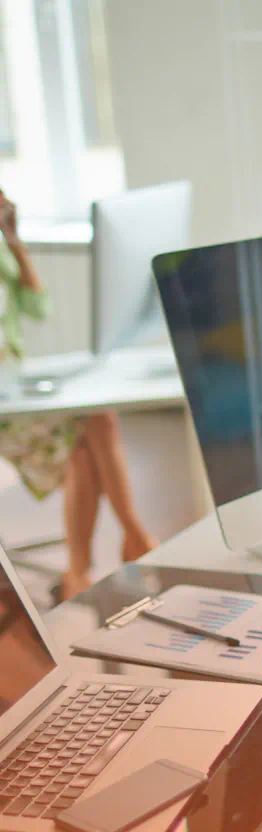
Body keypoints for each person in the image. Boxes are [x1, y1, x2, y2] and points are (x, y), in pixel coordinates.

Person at [0, 187, 158, 602]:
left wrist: (15, 243)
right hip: (5, 407)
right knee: (88, 440)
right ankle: (134, 539)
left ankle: (84, 569)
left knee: (95, 426)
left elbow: (38, 308)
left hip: (13, 383)